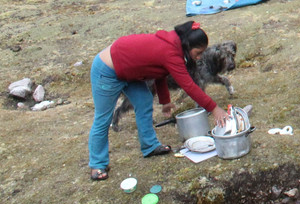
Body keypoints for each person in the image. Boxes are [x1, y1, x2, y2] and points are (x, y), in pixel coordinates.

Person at [88, 21, 228, 181]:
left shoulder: (175, 46)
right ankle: (97, 164)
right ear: (188, 45)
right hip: (107, 70)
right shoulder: (171, 51)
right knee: (103, 118)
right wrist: (215, 108)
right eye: (198, 52)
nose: (200, 56)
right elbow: (189, 85)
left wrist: (165, 101)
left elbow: (159, 71)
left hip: (129, 69)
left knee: (144, 102)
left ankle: (150, 146)